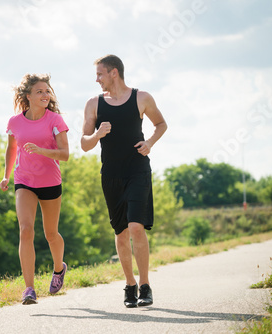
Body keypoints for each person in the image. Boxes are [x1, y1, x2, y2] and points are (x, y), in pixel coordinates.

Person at [81, 55, 167, 308]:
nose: (97, 79)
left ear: (114, 73)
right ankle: (129, 285)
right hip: (111, 175)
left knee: (136, 226)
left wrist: (149, 142)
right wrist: (97, 134)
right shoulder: (93, 104)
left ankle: (145, 285)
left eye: (100, 74)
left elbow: (161, 124)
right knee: (121, 232)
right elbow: (84, 144)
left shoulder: (142, 98)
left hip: (138, 170)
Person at [0, 73, 69, 305]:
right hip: (24, 181)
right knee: (26, 230)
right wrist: (6, 176)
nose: (45, 95)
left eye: (47, 91)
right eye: (40, 91)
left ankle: (59, 269)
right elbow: (12, 149)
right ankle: (28, 289)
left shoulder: (55, 121)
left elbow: (65, 155)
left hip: (50, 182)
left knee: (51, 234)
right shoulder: (14, 122)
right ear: (27, 96)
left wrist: (41, 151)